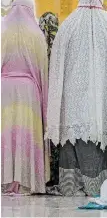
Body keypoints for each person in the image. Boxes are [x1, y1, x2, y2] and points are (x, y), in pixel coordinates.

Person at [45, 0, 107, 196]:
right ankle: (95, 186)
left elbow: (56, 66)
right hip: (99, 100)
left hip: (70, 97)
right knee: (94, 140)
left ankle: (70, 187)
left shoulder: (68, 25)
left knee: (71, 140)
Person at [1, 0, 49, 194]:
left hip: (4, 89)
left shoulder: (2, 33)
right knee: (26, 134)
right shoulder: (36, 35)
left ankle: (4, 180)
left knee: (5, 133)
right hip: (29, 91)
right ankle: (26, 180)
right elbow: (42, 70)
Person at [39, 12, 60, 188]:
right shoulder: (59, 41)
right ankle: (53, 175)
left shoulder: (34, 40)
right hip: (55, 94)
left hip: (36, 92)